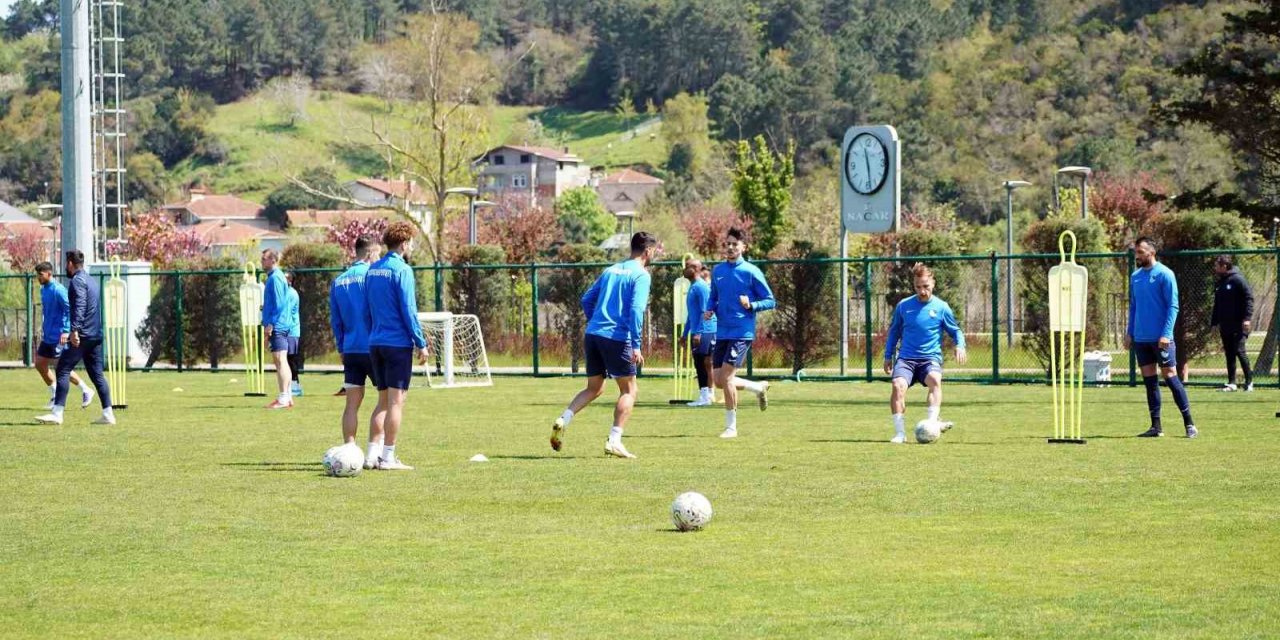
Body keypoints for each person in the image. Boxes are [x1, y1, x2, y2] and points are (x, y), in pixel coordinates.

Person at [550, 231, 660, 458]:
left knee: (595, 388)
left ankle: (564, 419)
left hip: (593, 334)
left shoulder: (611, 270)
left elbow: (586, 300)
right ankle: (614, 440)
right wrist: (636, 345)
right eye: (655, 250)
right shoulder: (641, 275)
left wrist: (597, 321)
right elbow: (637, 310)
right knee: (629, 389)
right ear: (648, 251)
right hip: (617, 338)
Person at [363, 222, 429, 470]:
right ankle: (388, 457)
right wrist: (420, 343)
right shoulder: (402, 270)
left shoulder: (372, 270)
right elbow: (409, 310)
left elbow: (366, 309)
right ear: (404, 244)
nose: (411, 246)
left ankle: (371, 455)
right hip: (397, 344)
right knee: (395, 402)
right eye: (411, 242)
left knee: (381, 401)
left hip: (375, 343)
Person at [882, 263, 967, 444]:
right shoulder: (904, 306)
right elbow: (894, 332)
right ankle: (900, 434)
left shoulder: (941, 307)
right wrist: (888, 355)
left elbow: (956, 331)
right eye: (918, 287)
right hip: (906, 359)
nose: (922, 291)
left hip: (929, 359)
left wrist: (960, 345)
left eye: (926, 286)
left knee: (935, 380)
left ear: (933, 284)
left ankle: (932, 423)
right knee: (897, 386)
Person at [705, 227, 774, 439]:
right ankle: (757, 387)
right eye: (728, 244)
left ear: (744, 247)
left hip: (741, 332)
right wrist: (710, 309)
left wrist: (751, 305)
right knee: (717, 380)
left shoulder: (751, 272)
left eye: (735, 244)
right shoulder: (718, 271)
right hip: (722, 331)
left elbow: (770, 300)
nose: (731, 247)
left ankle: (731, 427)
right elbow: (713, 297)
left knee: (726, 377)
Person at [1129, 237, 1197, 438]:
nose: (1137, 255)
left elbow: (1172, 306)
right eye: (1136, 252)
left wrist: (1166, 334)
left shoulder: (1165, 274)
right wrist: (1129, 332)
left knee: (1170, 377)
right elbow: (1134, 307)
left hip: (1161, 339)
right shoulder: (1135, 277)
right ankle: (1156, 427)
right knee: (1150, 382)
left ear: (1151, 252)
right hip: (1141, 339)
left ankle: (1190, 424)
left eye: (1140, 251)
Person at [35, 251, 114, 426]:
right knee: (97, 375)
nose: (65, 267)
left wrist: (74, 330)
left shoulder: (77, 281)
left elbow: (79, 306)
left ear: (70, 263)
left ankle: (57, 413)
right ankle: (108, 413)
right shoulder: (90, 279)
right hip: (95, 334)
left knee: (62, 369)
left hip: (83, 335)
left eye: (66, 263)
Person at [331, 235, 388, 469]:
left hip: (350, 349)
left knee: (352, 404)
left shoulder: (339, 281)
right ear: (369, 254)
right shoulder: (372, 278)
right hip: (373, 346)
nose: (379, 259)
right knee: (386, 400)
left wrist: (341, 347)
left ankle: (349, 451)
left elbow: (336, 320)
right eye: (377, 254)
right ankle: (374, 453)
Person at [33, 262, 93, 410]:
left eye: (40, 275)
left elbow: (69, 309)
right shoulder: (43, 289)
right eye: (37, 275)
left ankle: (86, 390)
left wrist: (66, 331)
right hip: (48, 336)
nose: (38, 277)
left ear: (49, 273)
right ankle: (54, 393)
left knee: (61, 367)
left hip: (59, 336)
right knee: (40, 363)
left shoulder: (59, 290)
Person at [1210, 254, 1253, 392]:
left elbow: (1249, 298)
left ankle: (1249, 382)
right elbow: (1217, 304)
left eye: (1217, 265)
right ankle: (1232, 383)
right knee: (1229, 353)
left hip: (1239, 324)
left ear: (1224, 266)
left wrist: (1247, 318)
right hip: (1225, 324)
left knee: (1240, 351)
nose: (1215, 268)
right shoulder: (1220, 282)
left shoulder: (1238, 279)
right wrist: (1214, 323)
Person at [260, 249, 295, 409]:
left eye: (264, 258)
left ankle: (283, 398)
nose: (261, 261)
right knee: (282, 361)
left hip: (278, 326)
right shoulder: (275, 277)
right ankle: (287, 396)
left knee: (280, 360)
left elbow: (279, 304)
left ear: (273, 260)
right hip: (279, 325)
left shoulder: (275, 278)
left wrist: (270, 325)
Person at [683, 260, 717, 407]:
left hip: (706, 330)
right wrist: (685, 334)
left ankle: (705, 398)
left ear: (696, 268)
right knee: (703, 363)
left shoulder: (701, 287)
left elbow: (706, 311)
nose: (685, 268)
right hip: (699, 330)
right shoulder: (693, 287)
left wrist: (699, 332)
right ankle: (707, 395)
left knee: (701, 363)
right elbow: (691, 315)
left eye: (688, 266)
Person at [284, 273, 303, 397]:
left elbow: (286, 313)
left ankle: (295, 385)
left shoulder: (291, 293)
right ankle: (291, 385)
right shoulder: (285, 293)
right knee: (286, 359)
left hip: (291, 331)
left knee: (291, 359)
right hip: (287, 330)